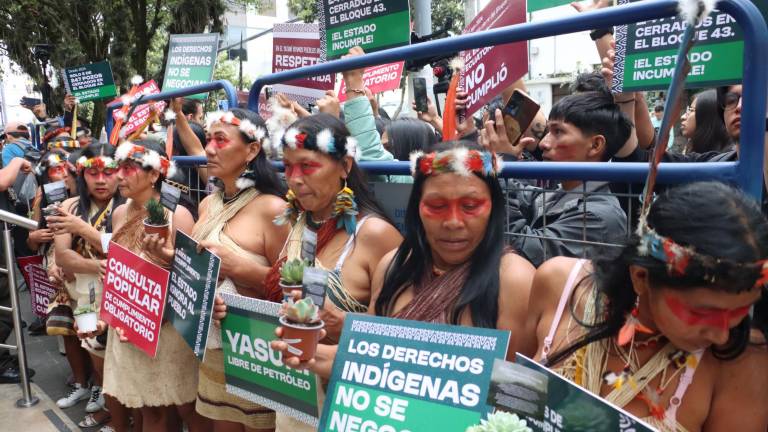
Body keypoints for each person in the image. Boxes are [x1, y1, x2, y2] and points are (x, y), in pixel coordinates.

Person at [267, 140, 534, 375]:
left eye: (470, 206)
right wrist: (311, 356)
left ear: (494, 207)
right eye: (437, 206)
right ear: (417, 208)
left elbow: (509, 395)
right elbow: (368, 358)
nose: (453, 222)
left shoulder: (514, 279)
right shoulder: (393, 265)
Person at [522, 181, 768, 431]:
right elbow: (509, 404)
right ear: (641, 277)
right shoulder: (559, 286)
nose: (721, 334)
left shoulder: (741, 363)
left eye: (738, 311)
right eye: (701, 312)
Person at [234, 111, 402, 432]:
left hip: (345, 411)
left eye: (308, 166)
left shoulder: (375, 235)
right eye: (288, 166)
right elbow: (276, 300)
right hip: (293, 399)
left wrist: (344, 324)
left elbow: (400, 341)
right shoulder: (298, 222)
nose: (295, 178)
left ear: (345, 167)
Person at [186, 108, 289, 432]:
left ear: (253, 149)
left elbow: (293, 293)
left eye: (220, 140)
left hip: (257, 354)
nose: (210, 149)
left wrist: (240, 269)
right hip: (213, 352)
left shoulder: (273, 208)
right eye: (207, 139)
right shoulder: (208, 204)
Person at [91, 140, 203, 432]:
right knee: (150, 409)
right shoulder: (119, 213)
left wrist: (156, 317)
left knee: (185, 406)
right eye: (120, 168)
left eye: (129, 168)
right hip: (128, 327)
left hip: (167, 330)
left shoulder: (176, 215)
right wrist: (110, 315)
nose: (120, 176)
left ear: (154, 174)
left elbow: (190, 279)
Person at [484, 90, 629, 267]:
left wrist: (502, 162)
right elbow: (517, 193)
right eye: (548, 131)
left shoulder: (598, 217)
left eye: (558, 132)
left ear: (595, 145)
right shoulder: (560, 194)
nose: (544, 143)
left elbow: (519, 254)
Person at [51, 143, 129, 430]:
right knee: (97, 359)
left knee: (125, 362)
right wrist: (95, 266)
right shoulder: (70, 207)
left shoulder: (128, 205)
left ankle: (125, 415)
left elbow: (126, 253)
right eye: (93, 172)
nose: (100, 179)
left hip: (123, 297)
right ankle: (113, 411)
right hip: (85, 295)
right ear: (82, 174)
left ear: (120, 173)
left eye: (108, 172)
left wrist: (84, 232)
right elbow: (63, 255)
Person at [680, 89, 732, 154]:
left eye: (691, 110)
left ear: (707, 117)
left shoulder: (728, 158)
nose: (682, 117)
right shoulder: (693, 150)